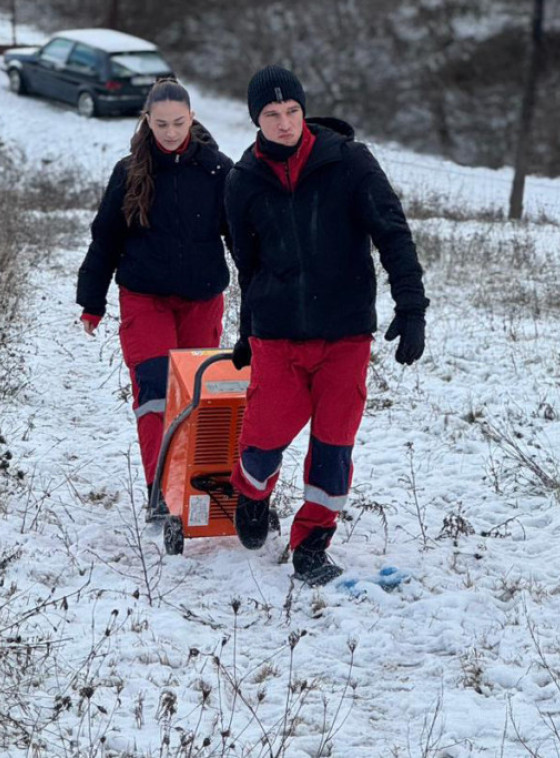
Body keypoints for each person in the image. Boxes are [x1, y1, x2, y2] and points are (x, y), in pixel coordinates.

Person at [225, 65, 429, 585]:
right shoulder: (243, 180)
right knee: (264, 438)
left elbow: (394, 233)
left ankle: (311, 543)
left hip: (344, 333)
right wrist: (248, 331)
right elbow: (248, 266)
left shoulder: (350, 163)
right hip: (277, 334)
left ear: (303, 110)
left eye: (292, 111)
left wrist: (412, 307)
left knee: (334, 442)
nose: (285, 123)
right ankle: (251, 495)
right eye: (272, 115)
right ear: (256, 120)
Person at [77, 79, 233, 517]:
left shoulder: (218, 170)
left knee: (197, 398)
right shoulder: (129, 172)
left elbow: (242, 239)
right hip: (145, 299)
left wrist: (265, 293)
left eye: (178, 123)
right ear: (147, 120)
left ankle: (195, 485)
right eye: (161, 123)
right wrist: (92, 300)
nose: (169, 132)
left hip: (202, 301)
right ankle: (159, 492)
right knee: (155, 393)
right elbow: (105, 239)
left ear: (193, 117)